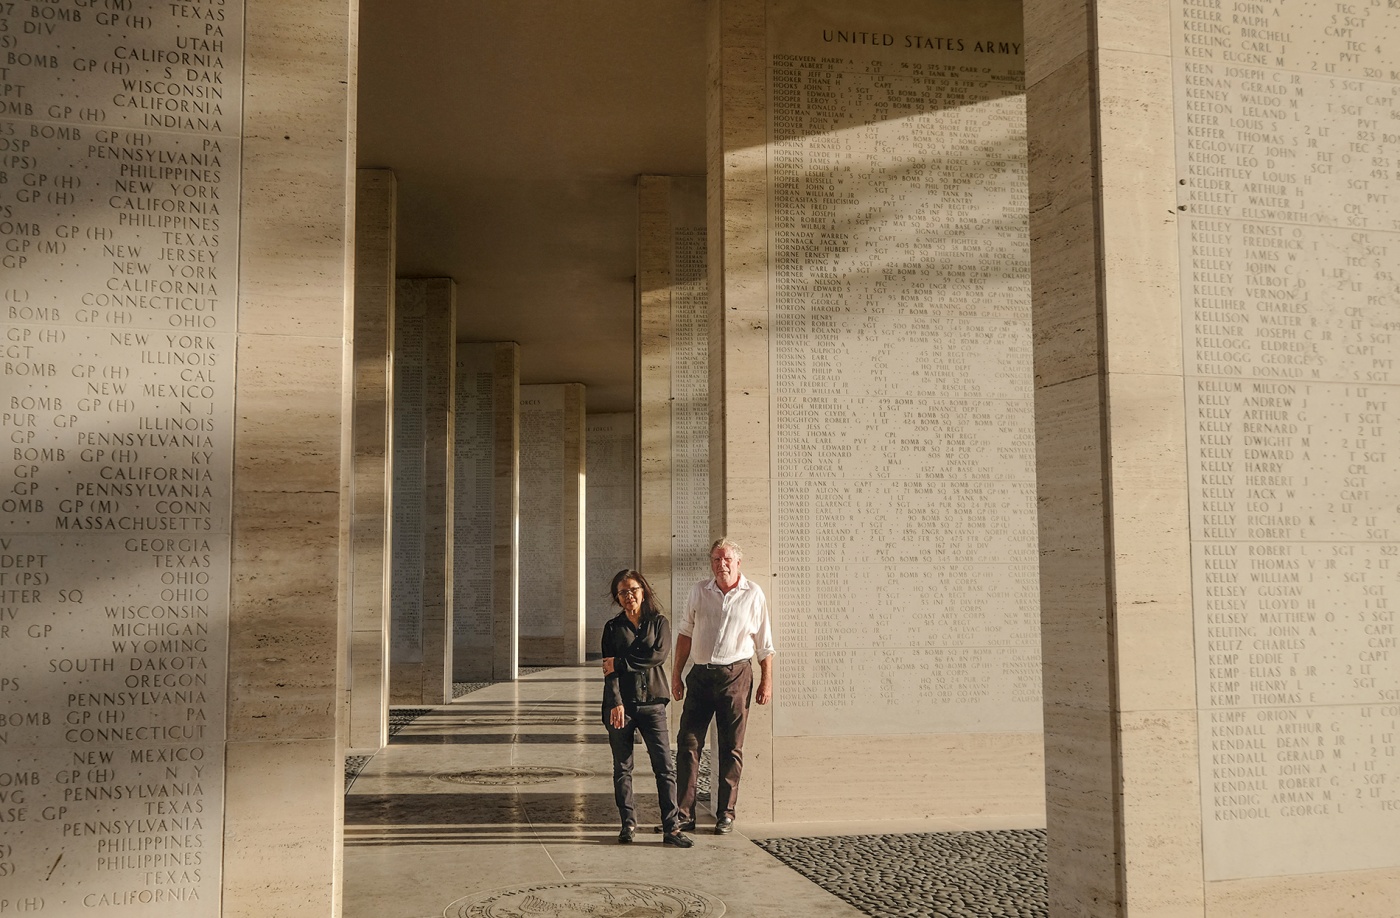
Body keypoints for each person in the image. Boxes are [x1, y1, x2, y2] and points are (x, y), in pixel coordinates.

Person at [672, 537, 775, 835]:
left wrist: (766, 682)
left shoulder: (753, 594)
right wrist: (677, 674)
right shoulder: (699, 591)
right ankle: (683, 813)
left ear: (738, 563)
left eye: (727, 559)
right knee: (688, 744)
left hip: (736, 677)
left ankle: (726, 813)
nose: (721, 565)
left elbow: (765, 645)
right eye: (716, 560)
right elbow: (684, 634)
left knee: (731, 748)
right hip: (700, 676)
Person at [600, 569, 694, 848]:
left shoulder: (659, 623)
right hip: (621, 707)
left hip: (653, 703)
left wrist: (620, 662)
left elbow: (658, 656)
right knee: (622, 768)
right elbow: (609, 670)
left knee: (664, 767)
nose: (628, 596)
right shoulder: (612, 628)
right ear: (617, 598)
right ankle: (628, 824)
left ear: (643, 590)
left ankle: (672, 827)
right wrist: (615, 701)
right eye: (622, 592)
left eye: (633, 589)